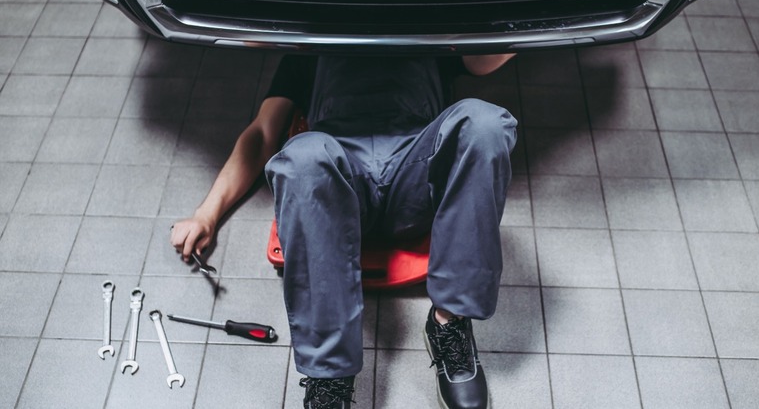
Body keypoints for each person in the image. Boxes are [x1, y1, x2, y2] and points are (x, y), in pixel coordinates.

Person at [171, 53, 517, 409]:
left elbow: (482, 62)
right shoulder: (310, 42)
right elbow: (262, 133)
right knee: (302, 155)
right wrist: (206, 214)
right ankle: (329, 376)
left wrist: (525, 19)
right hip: (341, 188)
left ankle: (449, 323)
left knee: (486, 122)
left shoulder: (427, 20)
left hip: (416, 178)